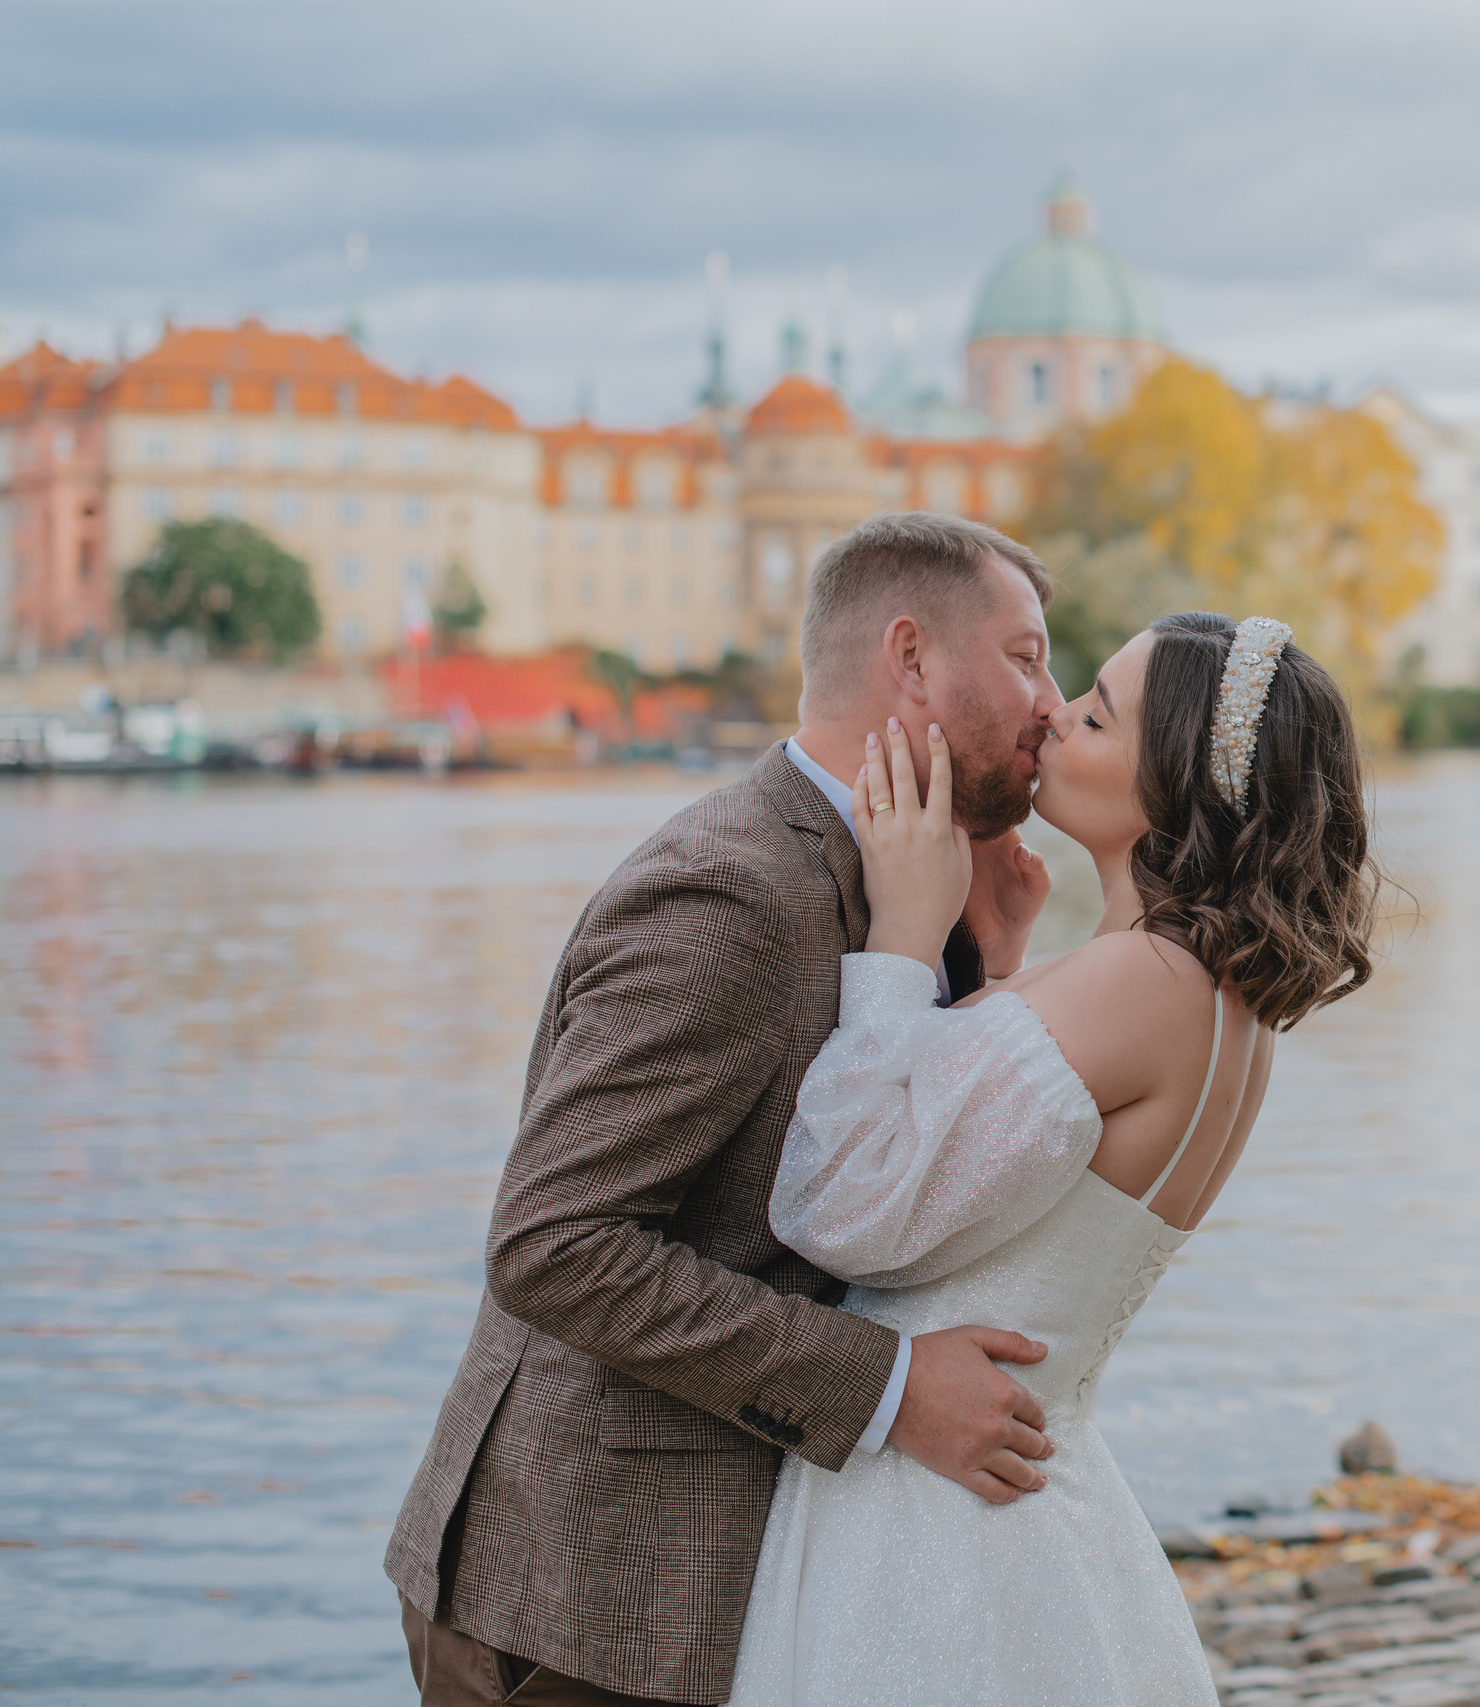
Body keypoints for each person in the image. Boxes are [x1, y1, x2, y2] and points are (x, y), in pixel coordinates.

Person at [386, 513, 1081, 1707]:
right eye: (1025, 658)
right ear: (908, 659)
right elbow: (554, 1247)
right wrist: (889, 1387)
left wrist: (982, 965)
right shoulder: (736, 891)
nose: (1054, 706)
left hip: (731, 1587)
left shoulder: (905, 876)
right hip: (592, 1604)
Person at [727, 611, 1380, 1705]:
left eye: (1095, 713)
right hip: (1026, 1500)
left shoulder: (1143, 982)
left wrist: (897, 936)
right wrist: (1004, 964)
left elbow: (838, 1205)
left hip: (937, 1533)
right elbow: (1026, 1185)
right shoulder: (1211, 995)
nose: (1053, 716)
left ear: (1172, 778)